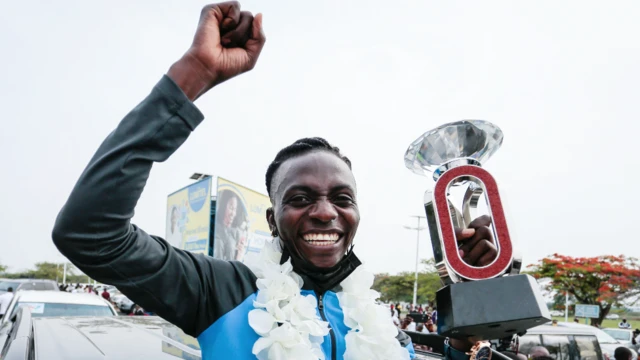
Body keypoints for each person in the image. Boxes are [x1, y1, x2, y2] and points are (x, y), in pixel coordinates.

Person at [51, 2, 498, 359]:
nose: (325, 211)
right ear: (272, 216)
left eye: (341, 197)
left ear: (356, 213)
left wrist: (466, 332)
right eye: (301, 197)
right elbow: (89, 234)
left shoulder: (375, 318)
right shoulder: (219, 290)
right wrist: (194, 74)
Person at [213, 190, 250, 261]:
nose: (233, 213)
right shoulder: (215, 228)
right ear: (223, 207)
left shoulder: (237, 232)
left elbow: (239, 258)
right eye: (231, 208)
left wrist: (240, 253)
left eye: (235, 209)